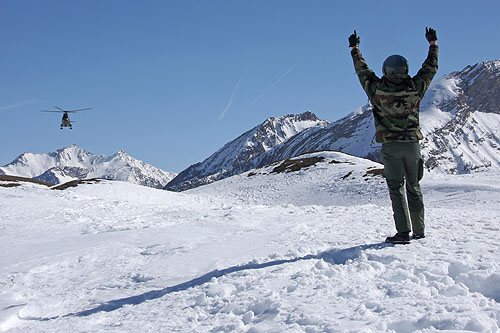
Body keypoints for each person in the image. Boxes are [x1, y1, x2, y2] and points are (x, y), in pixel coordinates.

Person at [348, 28, 439, 244]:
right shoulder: (415, 87)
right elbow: (430, 68)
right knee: (414, 187)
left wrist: (355, 48)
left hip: (390, 146)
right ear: (405, 69)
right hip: (411, 145)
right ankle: (419, 230)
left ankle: (403, 233)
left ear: (386, 71)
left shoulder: (377, 89)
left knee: (396, 188)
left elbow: (362, 71)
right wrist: (433, 44)